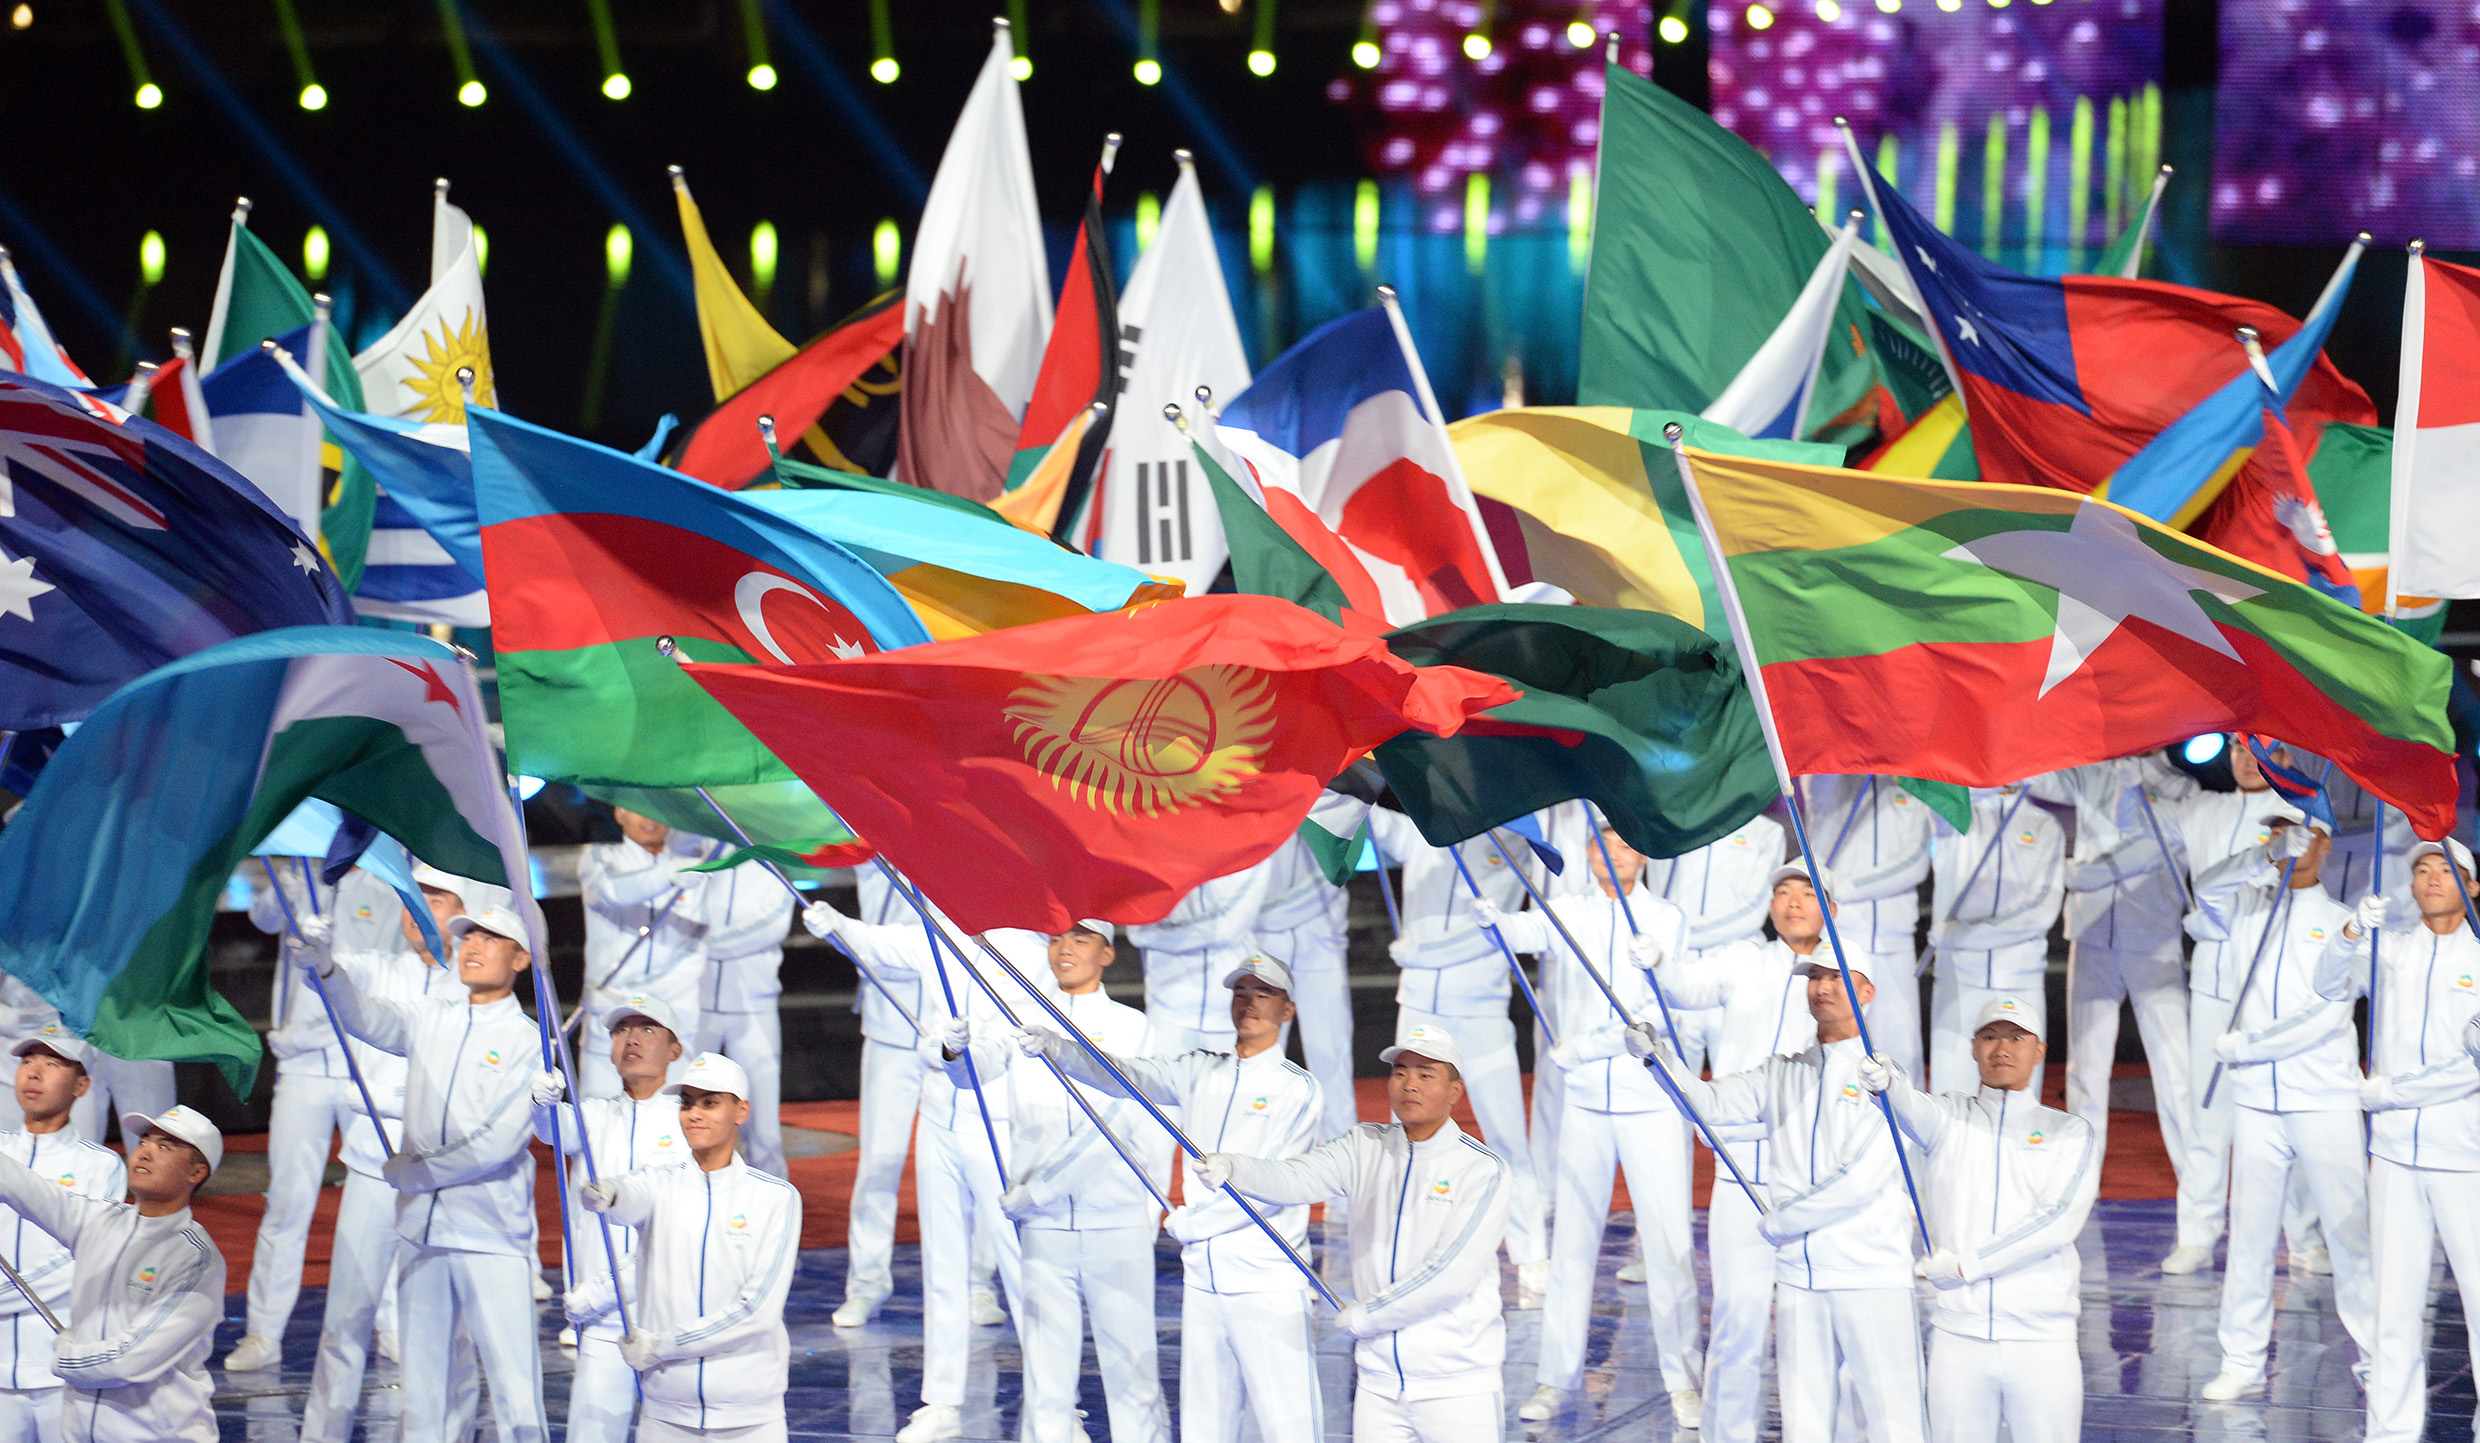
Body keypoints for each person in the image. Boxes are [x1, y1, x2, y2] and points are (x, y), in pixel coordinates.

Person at [1022, 955, 1325, 1443]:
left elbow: (1275, 1185)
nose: (1248, 1003)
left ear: (1287, 1010)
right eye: (1240, 993)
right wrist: (1059, 1049)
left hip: (1265, 1283)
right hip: (1203, 1280)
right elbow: (1124, 1075)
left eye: (1263, 994)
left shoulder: (1298, 1089)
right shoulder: (1200, 1070)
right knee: (1204, 1427)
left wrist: (1193, 1225)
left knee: (1289, 1427)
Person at [1636, 950, 1927, 1443]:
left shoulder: (1885, 1078)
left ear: (1867, 993)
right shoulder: (1782, 1072)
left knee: (1893, 1424)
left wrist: (1783, 1221)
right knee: (1803, 1425)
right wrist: (1658, 1059)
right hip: (1799, 1279)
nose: (1822, 987)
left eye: (1837, 977)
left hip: (1869, 1276)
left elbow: (1862, 1179)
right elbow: (1707, 1105)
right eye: (1815, 977)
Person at [1478, 830, 1704, 1431]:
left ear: (1643, 853)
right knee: (1573, 1246)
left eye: (1625, 844)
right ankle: (1555, 1377)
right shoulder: (1570, 911)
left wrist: (1587, 1048)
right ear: (1587, 853)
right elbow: (1525, 933)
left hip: (1649, 1099)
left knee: (1669, 1247)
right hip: (1584, 1103)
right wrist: (1493, 920)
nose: (1614, 853)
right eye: (1602, 843)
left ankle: (1684, 1380)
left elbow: (1656, 1014)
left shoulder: (1666, 919)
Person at [305, 902, 554, 1443]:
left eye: (490, 939)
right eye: (468, 936)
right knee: (422, 1393)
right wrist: (326, 969)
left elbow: (499, 1142)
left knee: (515, 1390)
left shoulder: (528, 1041)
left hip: (490, 1234)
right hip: (421, 1230)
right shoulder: (430, 1016)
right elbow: (366, 1016)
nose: (473, 946)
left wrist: (417, 1173)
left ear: (520, 958)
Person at [805, 890, 1040, 1443]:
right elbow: (881, 944)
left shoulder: (1025, 948)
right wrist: (837, 925)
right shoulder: (937, 932)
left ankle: (1057, 1401)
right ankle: (941, 1402)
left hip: (996, 1121)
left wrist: (954, 1055)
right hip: (940, 1120)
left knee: (1020, 1263)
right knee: (942, 1262)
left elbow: (1003, 1048)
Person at [1200, 1026, 1511, 1443]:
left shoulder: (1482, 1170)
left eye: (1425, 1074)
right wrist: (1236, 1168)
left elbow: (1449, 1274)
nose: (1410, 1084)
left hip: (1456, 1387)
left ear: (1455, 1090)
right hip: (1378, 1385)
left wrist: (1369, 1316)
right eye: (1400, 1072)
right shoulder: (1365, 1145)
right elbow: (1295, 1177)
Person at [1644, 863, 1839, 1443]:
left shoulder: (1842, 978)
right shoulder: (1742, 960)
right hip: (1740, 1176)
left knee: (1812, 1330)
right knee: (1737, 1322)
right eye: (1782, 893)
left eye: (1807, 893)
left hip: (1811, 1179)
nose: (1793, 902)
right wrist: (1658, 963)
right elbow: (1686, 988)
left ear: (1830, 908)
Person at [950, 922, 1167, 1443]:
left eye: (1080, 939)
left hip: (1112, 1224)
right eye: (1056, 939)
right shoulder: (1021, 1018)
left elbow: (1115, 1125)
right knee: (1046, 1385)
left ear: (1107, 954)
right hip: (1044, 1230)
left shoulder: (1133, 1027)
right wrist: (955, 1052)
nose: (1064, 949)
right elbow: (973, 1074)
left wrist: (1039, 1191)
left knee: (1132, 1376)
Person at [1859, 996, 2100, 1443]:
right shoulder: (1948, 1118)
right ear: (1973, 1048)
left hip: (2041, 1341)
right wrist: (1886, 1083)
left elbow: (2058, 1221)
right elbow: (1906, 1105)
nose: (2002, 1048)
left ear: (2039, 1051)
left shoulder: (2069, 1132)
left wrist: (1966, 1264)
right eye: (1990, 1037)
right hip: (1959, 1338)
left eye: (2016, 1038)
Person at [297, 865, 482, 1443]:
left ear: (464, 913)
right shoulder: (376, 968)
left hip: (443, 1177)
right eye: (410, 897)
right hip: (371, 1168)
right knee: (345, 1318)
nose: (417, 909)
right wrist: (319, 960)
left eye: (435, 898)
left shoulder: (475, 988)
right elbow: (340, 989)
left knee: (444, 1327)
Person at [2197, 816, 2374, 1400]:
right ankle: (2242, 1361)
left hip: (2323, 1097)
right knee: (2250, 1236)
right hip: (2256, 1101)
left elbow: (2328, 1013)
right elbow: (2206, 887)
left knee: (2350, 1237)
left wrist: (2249, 1047)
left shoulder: (2342, 921)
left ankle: (2378, 1362)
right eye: (2276, 832)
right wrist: (2262, 857)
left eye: (2300, 832)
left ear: (2326, 843)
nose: (2289, 841)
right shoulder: (2247, 907)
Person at [2324, 837, 2480, 1441]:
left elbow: (2471, 1068)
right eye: (2423, 870)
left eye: (2447, 869)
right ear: (2410, 886)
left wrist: (2388, 1093)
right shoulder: (2390, 951)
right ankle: (2389, 1432)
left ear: (2472, 886)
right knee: (2391, 1308)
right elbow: (2327, 984)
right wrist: (2349, 934)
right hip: (2393, 1157)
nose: (2433, 877)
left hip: (2463, 1157)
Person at [2149, 736, 2322, 1274]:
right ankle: (2197, 1234)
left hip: (2275, 980)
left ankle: (2304, 1236)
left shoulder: (2301, 815)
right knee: (2207, 1111)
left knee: (2284, 1108)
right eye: (2241, 749)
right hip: (2214, 982)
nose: (2249, 760)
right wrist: (2136, 760)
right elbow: (2136, 817)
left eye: (2262, 749)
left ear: (2285, 757)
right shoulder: (2203, 808)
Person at [1365, 809, 1549, 1292]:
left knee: (1506, 1137)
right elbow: (1364, 819)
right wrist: (1346, 782)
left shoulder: (1516, 840)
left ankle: (1531, 1253)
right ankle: (1401, 1249)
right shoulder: (1420, 832)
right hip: (1420, 1010)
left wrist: (1421, 953)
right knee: (1408, 1137)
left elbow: (1499, 927)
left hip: (1480, 1009)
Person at [580, 1052, 802, 1442]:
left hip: (750, 1420)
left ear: (741, 1111)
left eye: (709, 1103)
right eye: (686, 1103)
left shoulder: (776, 1198)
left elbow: (758, 1312)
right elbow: (628, 1195)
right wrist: (608, 1193)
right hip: (664, 1416)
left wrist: (662, 1346)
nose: (694, 1114)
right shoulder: (659, 1184)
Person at [228, 860, 381, 1373]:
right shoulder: (296, 871)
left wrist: (338, 957)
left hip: (367, 1059)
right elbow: (263, 917)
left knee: (381, 1198)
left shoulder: (384, 877)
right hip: (304, 1063)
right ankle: (262, 1333)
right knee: (288, 1201)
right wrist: (290, 890)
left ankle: (391, 1324)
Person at [0, 1104, 224, 1442]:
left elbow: (128, 1360)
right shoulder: (99, 1221)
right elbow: (25, 1187)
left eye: (165, 1147)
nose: (144, 1152)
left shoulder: (196, 1259)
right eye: (144, 1141)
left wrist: (64, 1357)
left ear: (196, 1173)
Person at [547, 995, 692, 1443]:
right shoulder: (592, 1115)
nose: (631, 1039)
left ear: (674, 1050)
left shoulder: (689, 1124)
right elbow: (551, 1128)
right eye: (621, 1030)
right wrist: (540, 1095)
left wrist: (600, 1291)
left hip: (667, 1317)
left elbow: (679, 1229)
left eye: (647, 1029)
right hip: (603, 1319)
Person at [2048, 758, 2198, 1182]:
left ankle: (2196, 1184)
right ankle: (2080, 1179)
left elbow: (2156, 850)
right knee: (2085, 1067)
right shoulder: (2088, 773)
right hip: (2092, 937)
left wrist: (2086, 874)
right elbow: (2038, 778)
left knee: (2175, 1065)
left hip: (2152, 941)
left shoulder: (2181, 788)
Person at [0, 1034, 125, 1442]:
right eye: (27, 1062)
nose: (34, 1073)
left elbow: (85, 1262)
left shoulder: (101, 1165)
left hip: (60, 1373)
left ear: (81, 1086)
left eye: (52, 1064)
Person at [1925, 783, 2065, 1096]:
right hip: (1959, 978)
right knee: (1950, 1093)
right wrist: (1985, 786)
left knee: (2020, 1094)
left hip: (2020, 976)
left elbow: (2041, 912)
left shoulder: (2044, 825)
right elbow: (1935, 798)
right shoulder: (1956, 812)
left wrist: (1963, 936)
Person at [1803, 777, 1934, 1081]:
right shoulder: (1828, 779)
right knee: (1837, 1049)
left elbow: (1915, 863)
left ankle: (1898, 1114)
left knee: (1899, 1053)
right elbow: (1817, 839)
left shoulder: (1910, 789)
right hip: (1840, 940)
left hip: (1894, 944)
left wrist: (1844, 887)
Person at [578, 807, 714, 1096]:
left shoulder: (694, 866)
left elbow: (702, 938)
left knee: (671, 1118)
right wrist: (666, 875)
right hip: (610, 1018)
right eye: (638, 810)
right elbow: (609, 892)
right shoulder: (599, 856)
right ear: (619, 814)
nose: (650, 819)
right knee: (596, 1116)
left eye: (656, 809)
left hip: (673, 1022)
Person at [1244, 839, 1356, 1142]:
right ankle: (1249, 1152)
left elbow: (1350, 843)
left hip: (1321, 941)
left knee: (1330, 1055)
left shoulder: (1330, 809)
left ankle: (1342, 1155)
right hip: (1263, 939)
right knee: (1256, 1053)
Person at [694, 864, 796, 1175]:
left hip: (754, 1005)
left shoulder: (772, 863)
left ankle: (772, 1202)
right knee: (682, 1114)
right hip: (695, 1004)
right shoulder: (701, 852)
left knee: (763, 1130)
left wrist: (701, 944)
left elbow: (771, 926)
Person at [1126, 865, 1273, 1056]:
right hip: (1167, 1010)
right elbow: (1137, 929)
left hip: (1232, 1014)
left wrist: (1161, 935)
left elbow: (1227, 929)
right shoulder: (1155, 855)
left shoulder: (1252, 852)